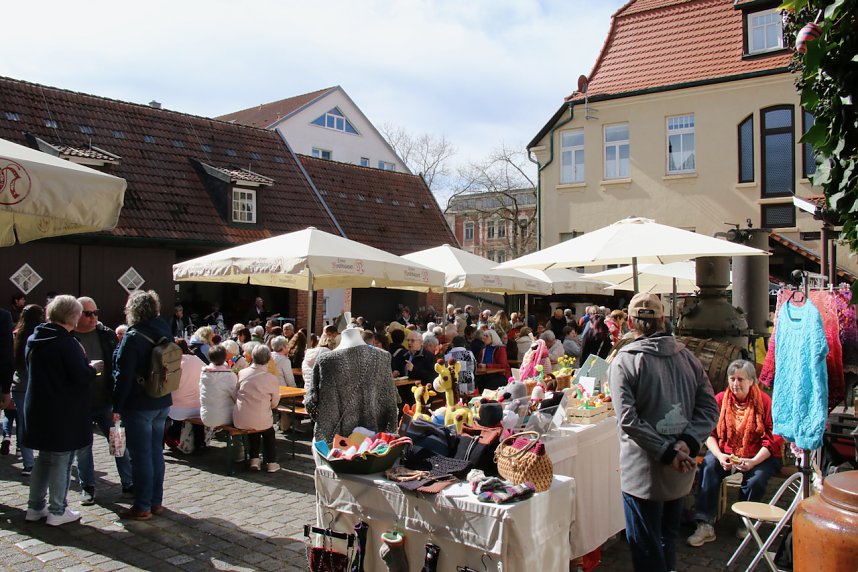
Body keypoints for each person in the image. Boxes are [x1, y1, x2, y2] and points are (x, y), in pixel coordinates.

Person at [607, 293, 718, 572]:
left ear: (630, 322)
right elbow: (709, 409)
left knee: (646, 545)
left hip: (645, 473)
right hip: (680, 466)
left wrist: (670, 451)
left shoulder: (624, 361)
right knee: (667, 538)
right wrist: (686, 443)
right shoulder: (689, 358)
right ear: (663, 320)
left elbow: (628, 420)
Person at [687, 359, 784, 546]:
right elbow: (709, 432)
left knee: (756, 478)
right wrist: (719, 455)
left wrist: (754, 461)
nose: (735, 383)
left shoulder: (764, 402)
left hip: (759, 454)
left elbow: (774, 438)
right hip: (726, 452)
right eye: (732, 378)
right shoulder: (721, 400)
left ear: (752, 381)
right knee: (708, 467)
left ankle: (744, 522)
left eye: (741, 379)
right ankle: (705, 524)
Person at [22, 295, 100, 526]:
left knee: (44, 459)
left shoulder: (36, 337)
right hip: (62, 410)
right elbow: (79, 375)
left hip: (38, 406)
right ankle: (57, 509)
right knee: (62, 460)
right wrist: (92, 369)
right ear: (73, 317)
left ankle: (35, 507)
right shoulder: (66, 342)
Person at [113, 290, 173, 520]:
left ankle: (143, 506)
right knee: (156, 452)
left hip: (139, 402)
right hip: (162, 398)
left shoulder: (133, 335)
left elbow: (122, 375)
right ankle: (156, 502)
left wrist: (116, 406)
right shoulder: (164, 328)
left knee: (141, 456)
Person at [72, 296, 133, 506]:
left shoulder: (104, 333)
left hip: (106, 400)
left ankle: (129, 482)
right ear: (76, 315)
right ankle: (87, 486)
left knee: (118, 443)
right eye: (88, 313)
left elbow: (117, 363)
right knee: (83, 447)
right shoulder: (69, 335)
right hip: (79, 404)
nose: (93, 317)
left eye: (95, 312)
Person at [234, 345, 279, 472]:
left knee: (254, 425)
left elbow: (235, 393)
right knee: (268, 431)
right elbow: (275, 402)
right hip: (260, 418)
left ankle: (254, 459)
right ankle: (271, 462)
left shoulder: (242, 373)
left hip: (241, 417)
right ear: (268, 359)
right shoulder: (271, 378)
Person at [9, 304, 42, 476]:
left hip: (19, 384)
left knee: (23, 425)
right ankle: (45, 457)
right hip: (36, 384)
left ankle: (28, 463)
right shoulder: (39, 336)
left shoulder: (16, 335)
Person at [165, 340, 206, 453]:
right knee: (196, 419)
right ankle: (200, 443)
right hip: (198, 406)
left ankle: (171, 436)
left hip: (176, 408)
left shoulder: (174, 362)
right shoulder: (197, 360)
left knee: (173, 413)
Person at [199, 345, 238, 428]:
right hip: (226, 417)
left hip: (206, 416)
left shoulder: (204, 374)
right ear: (225, 357)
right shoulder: (229, 376)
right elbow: (236, 397)